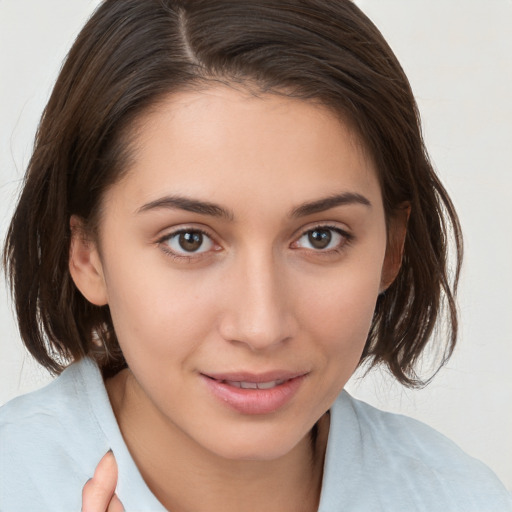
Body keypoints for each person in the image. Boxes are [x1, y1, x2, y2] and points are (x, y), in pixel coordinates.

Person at [0, 0, 510, 511]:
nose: (261, 327)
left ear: (391, 247)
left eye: (320, 237)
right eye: (189, 240)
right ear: (87, 254)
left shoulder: (465, 498)